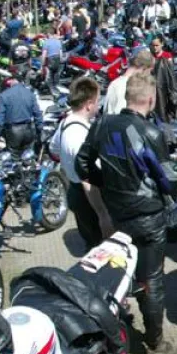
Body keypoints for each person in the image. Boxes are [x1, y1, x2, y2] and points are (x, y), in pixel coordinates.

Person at [75, 72, 177, 354]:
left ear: (126, 98)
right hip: (148, 218)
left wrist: (107, 183)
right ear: (151, 99)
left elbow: (80, 164)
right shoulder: (151, 133)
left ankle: (109, 325)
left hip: (117, 214)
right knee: (152, 281)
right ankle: (155, 345)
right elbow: (168, 181)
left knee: (115, 272)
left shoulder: (102, 124)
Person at [50, 76, 111, 249]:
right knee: (99, 246)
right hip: (89, 199)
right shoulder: (80, 136)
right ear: (89, 104)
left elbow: (54, 149)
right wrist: (103, 214)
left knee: (90, 240)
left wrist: (67, 162)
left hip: (74, 192)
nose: (99, 105)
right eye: (98, 101)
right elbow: (88, 180)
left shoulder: (64, 124)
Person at [0, 70, 44, 152]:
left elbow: (0, 117)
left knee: (14, 158)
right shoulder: (30, 94)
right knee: (28, 157)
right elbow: (37, 113)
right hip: (29, 130)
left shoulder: (4, 95)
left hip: (13, 132)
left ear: (13, 80)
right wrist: (40, 130)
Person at [104, 49, 152, 115]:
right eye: (149, 72)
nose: (148, 75)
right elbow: (121, 116)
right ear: (144, 68)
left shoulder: (116, 83)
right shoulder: (128, 87)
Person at [149, 36, 177, 123]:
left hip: (164, 88)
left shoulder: (167, 56)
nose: (155, 48)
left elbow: (170, 75)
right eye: (153, 45)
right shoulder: (150, 57)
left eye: (157, 45)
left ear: (162, 44)